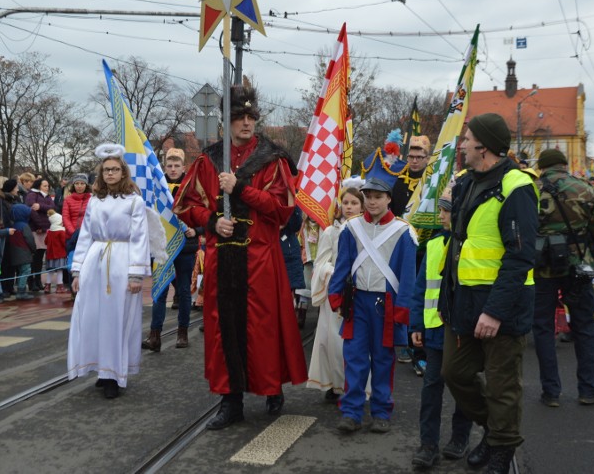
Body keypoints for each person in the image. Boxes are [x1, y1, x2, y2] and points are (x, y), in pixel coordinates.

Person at [173, 85, 307, 430]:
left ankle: (271, 387)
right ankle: (230, 400)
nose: (246, 123)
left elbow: (281, 211)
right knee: (222, 330)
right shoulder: (209, 158)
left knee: (264, 327)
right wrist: (212, 222)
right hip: (222, 258)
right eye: (239, 117)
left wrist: (241, 189)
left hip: (261, 258)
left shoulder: (273, 159)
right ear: (227, 120)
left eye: (251, 117)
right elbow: (186, 205)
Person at [439, 113, 538, 473]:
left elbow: (521, 255)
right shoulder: (466, 183)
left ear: (485, 147)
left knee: (502, 386)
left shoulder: (517, 186)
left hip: (502, 307)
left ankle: (501, 449)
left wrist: (495, 311)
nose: (462, 144)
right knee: (455, 373)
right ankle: (497, 432)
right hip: (464, 302)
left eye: (467, 139)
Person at [327, 177, 416, 434]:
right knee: (353, 358)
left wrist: (402, 309)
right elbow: (342, 263)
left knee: (382, 359)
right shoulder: (351, 228)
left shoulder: (404, 231)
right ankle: (352, 412)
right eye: (369, 196)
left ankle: (380, 411)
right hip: (357, 302)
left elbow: (407, 275)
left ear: (388, 199)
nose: (372, 201)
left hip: (385, 304)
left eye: (378, 196)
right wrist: (335, 295)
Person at [67, 144, 152, 399]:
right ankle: (101, 369)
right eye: (106, 170)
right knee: (93, 317)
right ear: (101, 173)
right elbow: (85, 236)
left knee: (118, 319)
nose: (111, 174)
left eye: (115, 169)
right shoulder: (95, 201)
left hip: (122, 262)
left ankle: (115, 374)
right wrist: (77, 271)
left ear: (123, 172)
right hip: (96, 261)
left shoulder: (134, 201)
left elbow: (139, 237)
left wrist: (135, 274)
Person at [532, 149, 594, 408]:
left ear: (541, 167)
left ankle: (550, 391)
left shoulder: (532, 189)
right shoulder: (583, 188)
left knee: (542, 326)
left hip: (542, 266)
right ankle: (588, 388)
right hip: (577, 265)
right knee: (584, 325)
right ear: (564, 165)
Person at [411, 190, 473, 468]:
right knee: (431, 387)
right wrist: (416, 324)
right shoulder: (435, 243)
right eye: (442, 210)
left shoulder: (471, 244)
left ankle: (460, 438)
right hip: (435, 329)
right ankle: (428, 444)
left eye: (446, 211)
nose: (441, 215)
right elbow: (421, 287)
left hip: (461, 330)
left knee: (462, 386)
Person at [307, 185, 365, 400]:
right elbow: (321, 262)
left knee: (356, 342)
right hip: (336, 293)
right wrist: (336, 273)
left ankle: (353, 384)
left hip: (359, 293)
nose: (349, 207)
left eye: (354, 203)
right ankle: (333, 384)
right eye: (346, 203)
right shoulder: (331, 231)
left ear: (362, 206)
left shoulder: (366, 231)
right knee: (332, 341)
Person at [143, 148, 200, 351]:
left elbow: (203, 213)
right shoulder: (157, 186)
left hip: (185, 246)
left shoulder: (191, 187)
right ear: (164, 166)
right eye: (169, 165)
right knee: (160, 290)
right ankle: (154, 335)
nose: (173, 169)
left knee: (184, 290)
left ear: (184, 167)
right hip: (161, 246)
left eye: (177, 166)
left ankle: (182, 332)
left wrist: (197, 229)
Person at [391, 135, 431, 368]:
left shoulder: (432, 182)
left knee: (424, 296)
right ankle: (405, 340)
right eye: (411, 156)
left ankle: (421, 351)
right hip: (404, 247)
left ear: (427, 158)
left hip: (427, 247)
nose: (414, 161)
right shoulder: (399, 181)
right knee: (404, 293)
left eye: (419, 157)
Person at [25, 178, 56, 294]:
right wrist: (40, 225)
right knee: (34, 257)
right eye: (44, 186)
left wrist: (41, 207)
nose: (47, 188)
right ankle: (31, 281)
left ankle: (38, 280)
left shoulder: (47, 197)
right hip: (36, 229)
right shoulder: (32, 195)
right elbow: (32, 210)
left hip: (45, 229)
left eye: (48, 186)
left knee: (40, 257)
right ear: (39, 186)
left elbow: (53, 208)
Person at [6, 204, 36, 300]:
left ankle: (20, 289)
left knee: (20, 271)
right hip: (24, 252)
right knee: (26, 270)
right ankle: (21, 291)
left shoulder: (13, 225)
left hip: (15, 252)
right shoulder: (24, 226)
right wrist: (33, 249)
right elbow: (29, 239)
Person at [44, 210, 68, 294]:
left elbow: (46, 242)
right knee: (59, 271)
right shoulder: (61, 231)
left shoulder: (50, 231)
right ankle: (59, 286)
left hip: (50, 255)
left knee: (50, 271)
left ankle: (47, 286)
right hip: (60, 254)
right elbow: (64, 243)